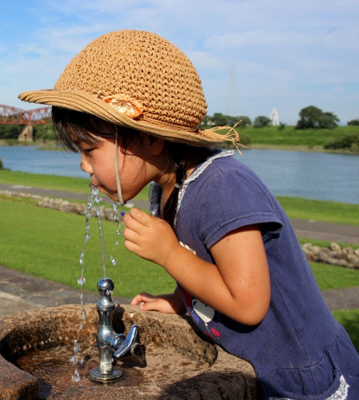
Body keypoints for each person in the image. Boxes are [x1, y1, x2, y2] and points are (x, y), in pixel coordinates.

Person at [19, 30, 358, 399]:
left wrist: (169, 254)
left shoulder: (223, 186)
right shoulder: (167, 190)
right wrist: (180, 300)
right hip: (263, 371)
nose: (84, 166)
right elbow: (215, 273)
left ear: (149, 138)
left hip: (302, 376)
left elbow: (248, 303)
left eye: (89, 150)